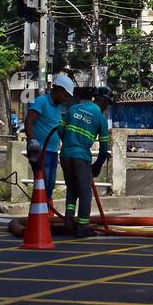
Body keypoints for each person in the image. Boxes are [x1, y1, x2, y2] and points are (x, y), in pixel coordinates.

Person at [57, 86, 113, 238]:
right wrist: (98, 166)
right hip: (81, 157)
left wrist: (69, 142)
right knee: (85, 193)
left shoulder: (73, 108)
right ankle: (82, 226)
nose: (107, 107)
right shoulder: (101, 119)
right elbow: (104, 148)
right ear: (102, 101)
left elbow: (60, 131)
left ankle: (68, 221)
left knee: (72, 189)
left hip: (66, 155)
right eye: (107, 104)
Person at [25, 74, 74, 197]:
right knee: (44, 183)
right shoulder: (41, 101)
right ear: (59, 90)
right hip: (40, 150)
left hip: (51, 151)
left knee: (49, 184)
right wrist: (32, 141)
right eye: (65, 95)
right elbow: (29, 121)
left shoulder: (58, 108)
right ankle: (40, 212)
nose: (66, 99)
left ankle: (44, 212)